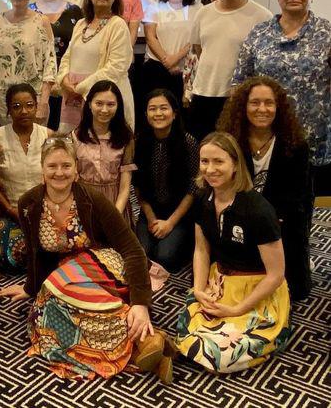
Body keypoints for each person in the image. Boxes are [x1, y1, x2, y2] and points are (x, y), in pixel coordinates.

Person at [0, 136, 174, 383]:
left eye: (66, 165)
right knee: (47, 311)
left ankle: (140, 338)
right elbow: (35, 253)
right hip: (66, 277)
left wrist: (141, 303)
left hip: (105, 263)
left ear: (76, 170)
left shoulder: (93, 199)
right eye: (52, 166)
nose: (59, 172)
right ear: (42, 170)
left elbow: (133, 249)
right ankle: (146, 345)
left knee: (54, 288)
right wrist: (30, 288)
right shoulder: (29, 203)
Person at [175, 131, 291, 373]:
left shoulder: (258, 210)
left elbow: (276, 274)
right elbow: (201, 250)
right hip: (220, 281)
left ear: (235, 165)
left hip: (257, 287)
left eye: (219, 161)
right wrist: (198, 289)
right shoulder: (202, 199)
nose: (210, 169)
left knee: (222, 354)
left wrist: (237, 309)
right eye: (205, 161)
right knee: (188, 328)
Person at [232, 0, 331, 196]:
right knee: (264, 201)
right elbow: (239, 82)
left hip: (313, 138)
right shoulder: (259, 33)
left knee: (306, 204)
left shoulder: (326, 33)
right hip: (264, 136)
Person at [218, 76, 313, 300]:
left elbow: (298, 196)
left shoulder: (296, 144)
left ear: (278, 107)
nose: (262, 109)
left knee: (295, 291)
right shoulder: (231, 140)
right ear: (243, 106)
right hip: (239, 218)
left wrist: (269, 221)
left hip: (282, 222)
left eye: (269, 103)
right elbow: (223, 186)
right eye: (255, 102)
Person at [188, 0, 272, 141]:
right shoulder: (203, 13)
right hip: (203, 93)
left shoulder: (262, 16)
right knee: (202, 147)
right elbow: (199, 48)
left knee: (235, 149)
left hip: (238, 98)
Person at [58, 0, 135, 132]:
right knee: (73, 144)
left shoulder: (117, 24)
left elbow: (116, 67)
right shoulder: (81, 24)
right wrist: (64, 80)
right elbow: (67, 57)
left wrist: (79, 88)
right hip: (73, 99)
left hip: (103, 100)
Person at [133, 89, 199, 272]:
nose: (158, 113)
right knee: (142, 254)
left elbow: (193, 187)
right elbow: (137, 185)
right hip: (150, 210)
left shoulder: (188, 142)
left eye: (164, 108)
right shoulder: (140, 142)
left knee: (165, 257)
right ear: (146, 114)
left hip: (179, 213)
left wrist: (170, 223)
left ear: (174, 113)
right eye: (152, 109)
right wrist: (151, 218)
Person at [0, 0, 56, 126]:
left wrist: (44, 102)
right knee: (7, 141)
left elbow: (50, 64)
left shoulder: (41, 21)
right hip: (3, 100)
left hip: (32, 99)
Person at [0, 83, 53, 272]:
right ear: (8, 110)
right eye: (16, 106)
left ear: (36, 106)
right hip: (10, 213)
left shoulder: (48, 135)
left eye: (29, 105)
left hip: (45, 211)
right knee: (11, 256)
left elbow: (56, 178)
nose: (24, 111)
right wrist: (10, 209)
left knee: (55, 246)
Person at [72, 80, 135, 225]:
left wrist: (114, 216)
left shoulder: (126, 138)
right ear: (89, 104)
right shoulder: (75, 137)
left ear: (118, 106)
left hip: (116, 203)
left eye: (110, 104)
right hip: (84, 203)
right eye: (99, 103)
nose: (104, 110)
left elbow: (125, 186)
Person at [30, 0, 83, 130]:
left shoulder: (75, 12)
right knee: (38, 130)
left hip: (67, 80)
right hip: (36, 81)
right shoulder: (29, 12)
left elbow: (81, 46)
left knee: (65, 129)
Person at [143, 0, 201, 105]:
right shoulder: (154, 7)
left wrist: (174, 59)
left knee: (183, 110)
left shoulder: (198, 9)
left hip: (187, 69)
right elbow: (150, 37)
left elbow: (197, 39)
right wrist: (167, 63)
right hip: (156, 67)